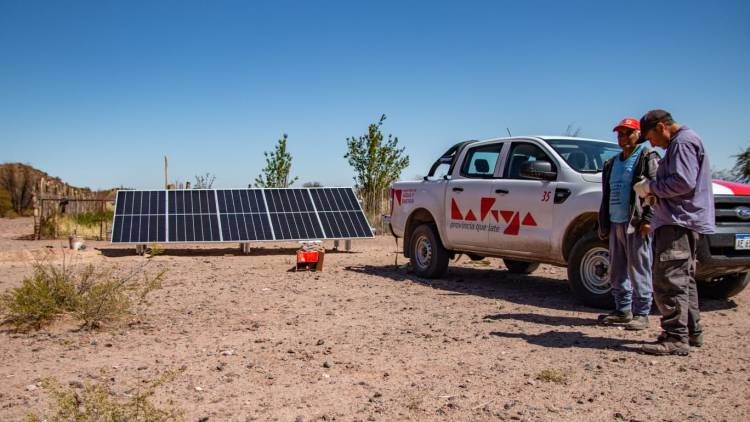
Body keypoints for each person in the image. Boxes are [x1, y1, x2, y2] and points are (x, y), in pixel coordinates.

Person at [633, 110, 715, 356]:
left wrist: (650, 187)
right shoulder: (686, 141)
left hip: (677, 221)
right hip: (683, 220)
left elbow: (682, 182)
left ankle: (675, 337)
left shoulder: (682, 143)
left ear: (661, 127)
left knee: (669, 279)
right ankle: (691, 332)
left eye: (651, 137)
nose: (653, 144)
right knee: (684, 279)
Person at [596, 118, 659, 330]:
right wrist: (603, 222)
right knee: (617, 268)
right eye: (620, 134)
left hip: (635, 222)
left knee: (639, 267)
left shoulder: (646, 158)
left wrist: (648, 219)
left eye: (627, 133)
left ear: (638, 135)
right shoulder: (612, 163)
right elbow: (607, 194)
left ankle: (642, 312)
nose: (622, 137)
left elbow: (653, 191)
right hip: (615, 221)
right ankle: (622, 309)